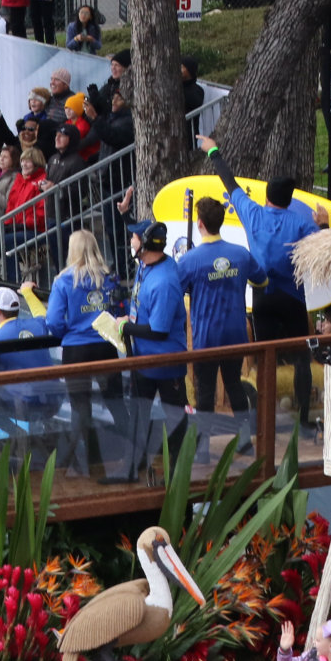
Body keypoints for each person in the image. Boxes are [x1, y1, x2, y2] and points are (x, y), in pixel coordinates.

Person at [198, 136, 327, 413]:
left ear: (266, 196)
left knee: (265, 359)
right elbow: (325, 250)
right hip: (293, 297)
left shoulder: (252, 213)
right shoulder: (303, 224)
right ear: (290, 200)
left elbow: (229, 182)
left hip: (262, 297)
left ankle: (265, 417)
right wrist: (325, 225)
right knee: (301, 359)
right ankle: (303, 417)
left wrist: (214, 151)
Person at [44, 230, 127, 478]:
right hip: (105, 346)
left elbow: (54, 322)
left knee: (81, 410)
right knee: (116, 404)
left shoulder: (64, 281)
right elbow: (121, 310)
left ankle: (84, 463)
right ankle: (137, 453)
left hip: (77, 349)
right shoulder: (110, 278)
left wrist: (71, 330)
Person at [179, 195, 263, 436]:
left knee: (205, 393)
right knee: (234, 385)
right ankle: (246, 440)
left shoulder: (189, 260)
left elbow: (175, 290)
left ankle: (203, 449)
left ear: (200, 224)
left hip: (207, 339)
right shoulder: (240, 254)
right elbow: (262, 280)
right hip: (236, 333)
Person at [116, 221, 193, 475]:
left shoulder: (164, 281)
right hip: (144, 359)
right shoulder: (145, 265)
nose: (130, 242)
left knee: (174, 417)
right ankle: (133, 464)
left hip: (165, 363)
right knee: (138, 413)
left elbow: (159, 331)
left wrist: (126, 329)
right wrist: (129, 320)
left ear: (145, 245)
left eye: (134, 238)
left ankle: (178, 470)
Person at [0, 286, 61, 441]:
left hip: (29, 406)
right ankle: (40, 430)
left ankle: (17, 434)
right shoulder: (37, 326)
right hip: (55, 402)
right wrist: (28, 292)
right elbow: (42, 314)